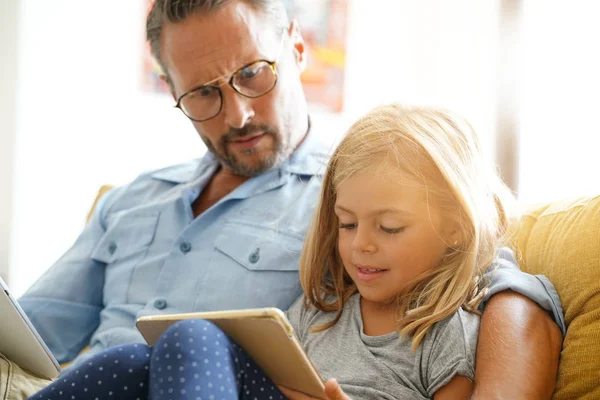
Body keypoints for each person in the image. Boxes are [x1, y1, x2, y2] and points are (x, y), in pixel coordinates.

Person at [2, 0, 563, 399]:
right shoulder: (132, 198)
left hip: (216, 378)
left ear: (296, 47)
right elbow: (25, 334)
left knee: (191, 337)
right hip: (91, 383)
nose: (238, 113)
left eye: (252, 74)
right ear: (175, 93)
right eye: (202, 94)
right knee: (129, 356)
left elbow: (470, 256)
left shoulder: (348, 195)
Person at [28, 104, 544, 400]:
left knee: (187, 336)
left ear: (456, 229)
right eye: (346, 223)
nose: (361, 243)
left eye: (389, 227)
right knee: (138, 355)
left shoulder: (448, 334)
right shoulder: (323, 311)